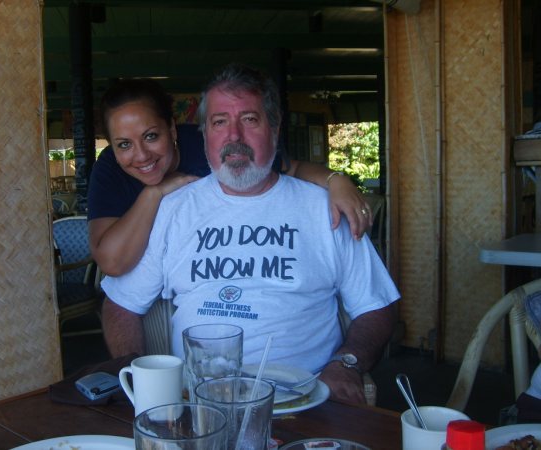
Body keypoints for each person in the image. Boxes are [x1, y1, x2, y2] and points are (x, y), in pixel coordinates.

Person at [101, 63, 400, 404]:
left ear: (275, 128)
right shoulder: (173, 209)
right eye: (219, 122)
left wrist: (347, 363)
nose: (234, 137)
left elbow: (377, 305)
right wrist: (140, 377)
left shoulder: (324, 208)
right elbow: (121, 305)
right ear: (204, 135)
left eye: (249, 119)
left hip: (303, 399)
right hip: (198, 405)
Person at [88, 78, 373, 277]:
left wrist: (337, 180)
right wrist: (154, 193)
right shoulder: (109, 169)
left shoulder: (209, 144)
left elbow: (292, 169)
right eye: (123, 144)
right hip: (153, 277)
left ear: (172, 130)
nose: (141, 155)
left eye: (151, 136)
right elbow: (112, 263)